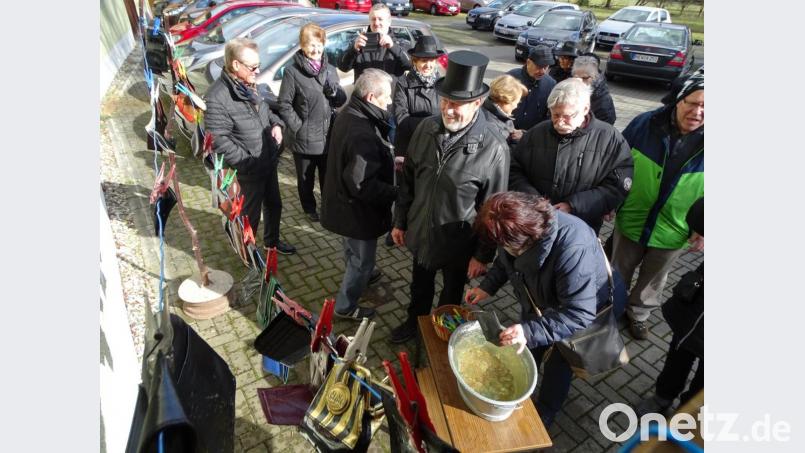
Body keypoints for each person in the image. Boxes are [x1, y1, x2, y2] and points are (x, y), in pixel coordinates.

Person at [465, 192, 624, 427]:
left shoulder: (572, 246)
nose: (503, 247)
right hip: (540, 300)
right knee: (528, 344)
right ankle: (524, 382)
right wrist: (487, 287)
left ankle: (546, 411)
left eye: (507, 244)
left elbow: (579, 313)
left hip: (587, 306)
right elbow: (505, 259)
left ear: (528, 239)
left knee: (560, 361)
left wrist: (528, 332)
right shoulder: (516, 230)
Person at [390, 51, 510, 344]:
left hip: (459, 244)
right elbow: (408, 181)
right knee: (419, 287)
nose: (448, 109)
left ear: (478, 102)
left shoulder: (494, 148)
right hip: (421, 231)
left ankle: (443, 338)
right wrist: (400, 221)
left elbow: (493, 209)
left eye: (457, 104)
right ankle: (414, 325)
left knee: (450, 296)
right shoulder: (426, 128)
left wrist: (482, 255)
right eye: (444, 101)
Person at [611, 67, 704, 340]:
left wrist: (705, 228)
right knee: (618, 270)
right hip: (632, 217)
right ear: (679, 99)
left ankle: (638, 313)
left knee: (654, 278)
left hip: (674, 229)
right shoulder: (644, 124)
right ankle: (611, 308)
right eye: (694, 103)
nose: (699, 112)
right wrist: (611, 199)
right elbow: (616, 162)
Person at [204, 37, 296, 255]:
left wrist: (277, 125)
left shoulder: (249, 85)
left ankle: (271, 243)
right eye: (253, 66)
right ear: (236, 65)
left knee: (274, 205)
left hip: (267, 161)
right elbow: (218, 140)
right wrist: (247, 162)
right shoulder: (217, 97)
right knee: (249, 216)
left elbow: (266, 112)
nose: (257, 70)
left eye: (258, 65)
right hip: (248, 170)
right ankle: (248, 254)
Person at [508, 78, 633, 234]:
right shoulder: (536, 133)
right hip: (536, 223)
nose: (560, 122)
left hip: (581, 226)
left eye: (567, 116)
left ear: (585, 109)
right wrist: (534, 199)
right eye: (555, 115)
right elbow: (514, 170)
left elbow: (618, 186)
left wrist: (574, 205)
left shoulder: (610, 139)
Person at [321, 69, 397, 320]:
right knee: (360, 260)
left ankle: (365, 272)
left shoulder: (350, 112)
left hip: (344, 205)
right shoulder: (361, 131)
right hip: (356, 211)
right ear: (371, 97)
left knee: (353, 249)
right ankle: (345, 307)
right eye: (386, 98)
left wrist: (388, 159)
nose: (389, 103)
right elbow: (363, 185)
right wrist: (396, 192)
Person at [636, 197, 703, 416]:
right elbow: (699, 211)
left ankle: (688, 412)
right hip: (695, 309)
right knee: (679, 351)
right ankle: (663, 397)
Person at [278, 23, 347, 223]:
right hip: (304, 139)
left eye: (319, 44)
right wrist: (298, 127)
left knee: (328, 178)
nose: (316, 50)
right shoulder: (292, 72)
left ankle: (328, 206)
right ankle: (309, 208)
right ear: (302, 45)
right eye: (311, 45)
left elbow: (340, 100)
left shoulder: (330, 69)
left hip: (327, 137)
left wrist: (335, 93)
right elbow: (284, 104)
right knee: (306, 180)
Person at [392, 35, 445, 160]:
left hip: (436, 146)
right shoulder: (403, 84)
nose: (428, 65)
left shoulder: (443, 84)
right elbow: (401, 119)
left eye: (431, 61)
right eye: (423, 61)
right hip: (410, 146)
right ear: (415, 61)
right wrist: (433, 124)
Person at [338, 3, 413, 81]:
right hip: (364, 92)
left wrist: (393, 47)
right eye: (373, 19)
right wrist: (354, 50)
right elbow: (343, 68)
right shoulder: (359, 43)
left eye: (380, 19)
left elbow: (410, 66)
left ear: (389, 21)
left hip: (390, 92)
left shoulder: (400, 44)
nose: (376, 23)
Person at [507, 46, 557, 131]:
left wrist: (528, 134)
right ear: (528, 62)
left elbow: (550, 116)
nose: (543, 71)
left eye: (546, 67)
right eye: (539, 67)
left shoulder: (551, 84)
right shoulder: (510, 79)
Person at [481, 74, 528, 146]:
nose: (515, 106)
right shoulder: (492, 127)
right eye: (515, 102)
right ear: (504, 101)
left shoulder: (497, 114)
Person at [571, 55, 616, 125]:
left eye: (585, 78)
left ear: (595, 76)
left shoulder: (603, 103)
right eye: (576, 78)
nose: (580, 82)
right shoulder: (570, 88)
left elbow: (602, 130)